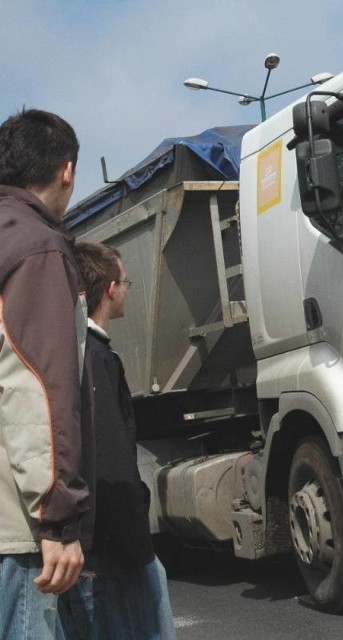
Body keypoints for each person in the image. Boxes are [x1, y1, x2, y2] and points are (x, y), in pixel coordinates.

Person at [0, 109, 89, 639]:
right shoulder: (37, 246)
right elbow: (38, 386)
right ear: (67, 172)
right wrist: (56, 519)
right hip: (14, 526)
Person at [58, 242, 176, 640]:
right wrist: (136, 539)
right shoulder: (98, 359)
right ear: (111, 289)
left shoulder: (71, 354)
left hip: (90, 536)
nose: (126, 288)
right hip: (110, 544)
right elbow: (109, 458)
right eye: (125, 281)